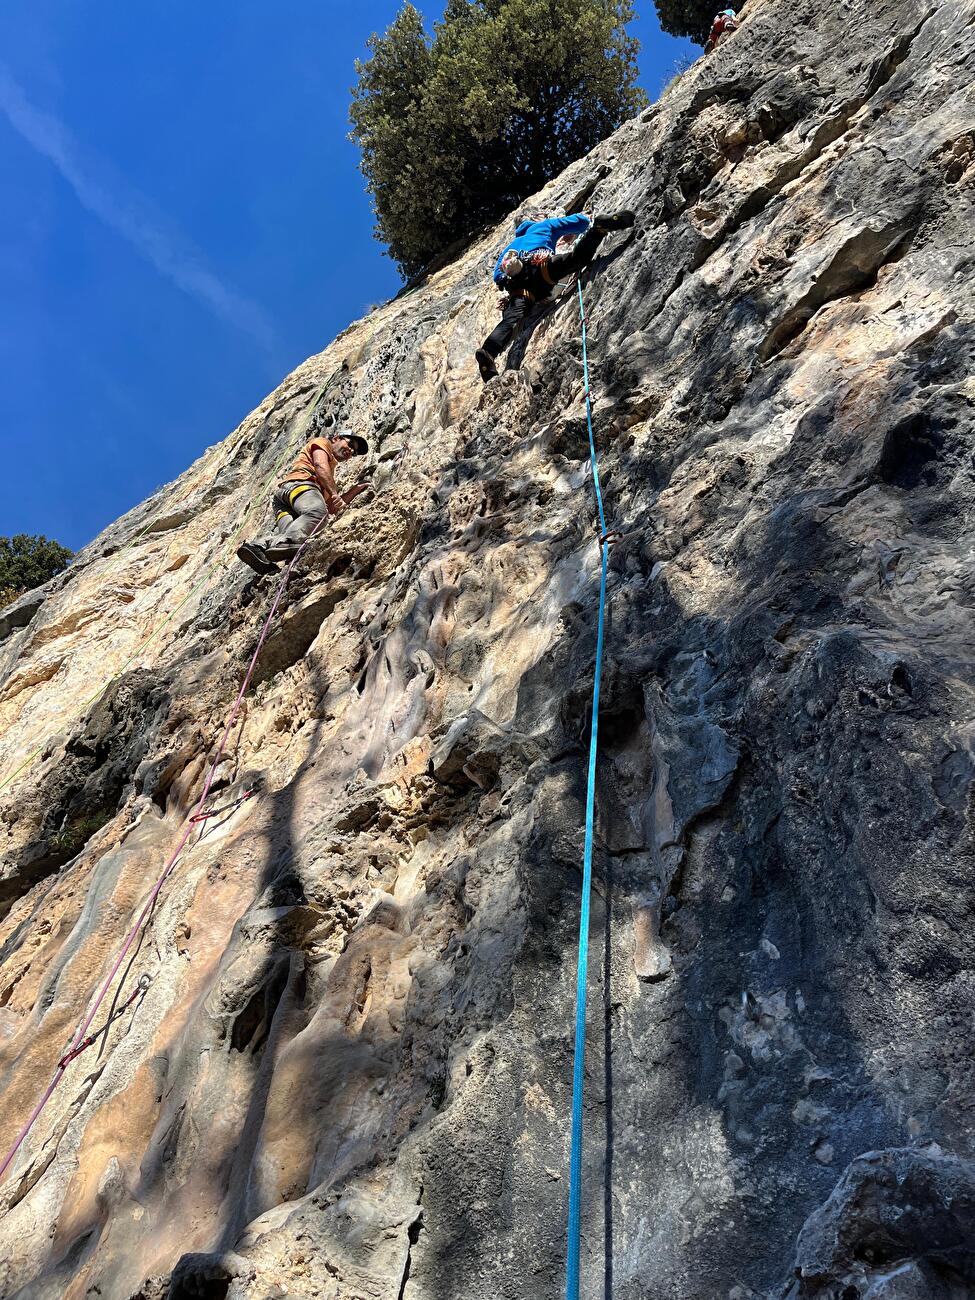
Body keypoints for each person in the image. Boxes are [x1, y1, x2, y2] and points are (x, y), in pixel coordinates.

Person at [474, 208, 636, 382]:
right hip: (540, 266)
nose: (547, 216)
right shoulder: (544, 225)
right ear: (535, 218)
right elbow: (579, 222)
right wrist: (578, 229)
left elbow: (498, 276)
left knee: (512, 318)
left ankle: (488, 352)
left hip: (518, 285)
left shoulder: (511, 245)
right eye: (543, 214)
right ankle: (600, 228)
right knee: (576, 259)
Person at [236, 430, 370, 575]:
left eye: (354, 452)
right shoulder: (322, 443)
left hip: (286, 499)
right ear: (336, 438)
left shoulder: (327, 478)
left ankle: (257, 547)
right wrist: (334, 492)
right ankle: (276, 544)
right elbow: (319, 465)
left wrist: (356, 489)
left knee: (291, 539)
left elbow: (331, 507)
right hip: (301, 486)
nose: (351, 451)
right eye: (350, 444)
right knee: (315, 516)